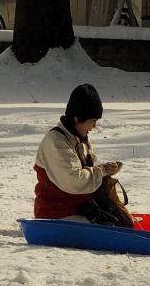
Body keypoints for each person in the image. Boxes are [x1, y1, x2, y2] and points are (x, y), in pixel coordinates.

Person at [34, 83, 122, 221]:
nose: (94, 126)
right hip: (57, 215)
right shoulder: (56, 142)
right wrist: (102, 171)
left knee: (121, 221)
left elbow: (90, 167)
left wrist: (107, 169)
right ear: (77, 118)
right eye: (92, 121)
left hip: (80, 211)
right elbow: (74, 180)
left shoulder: (79, 139)